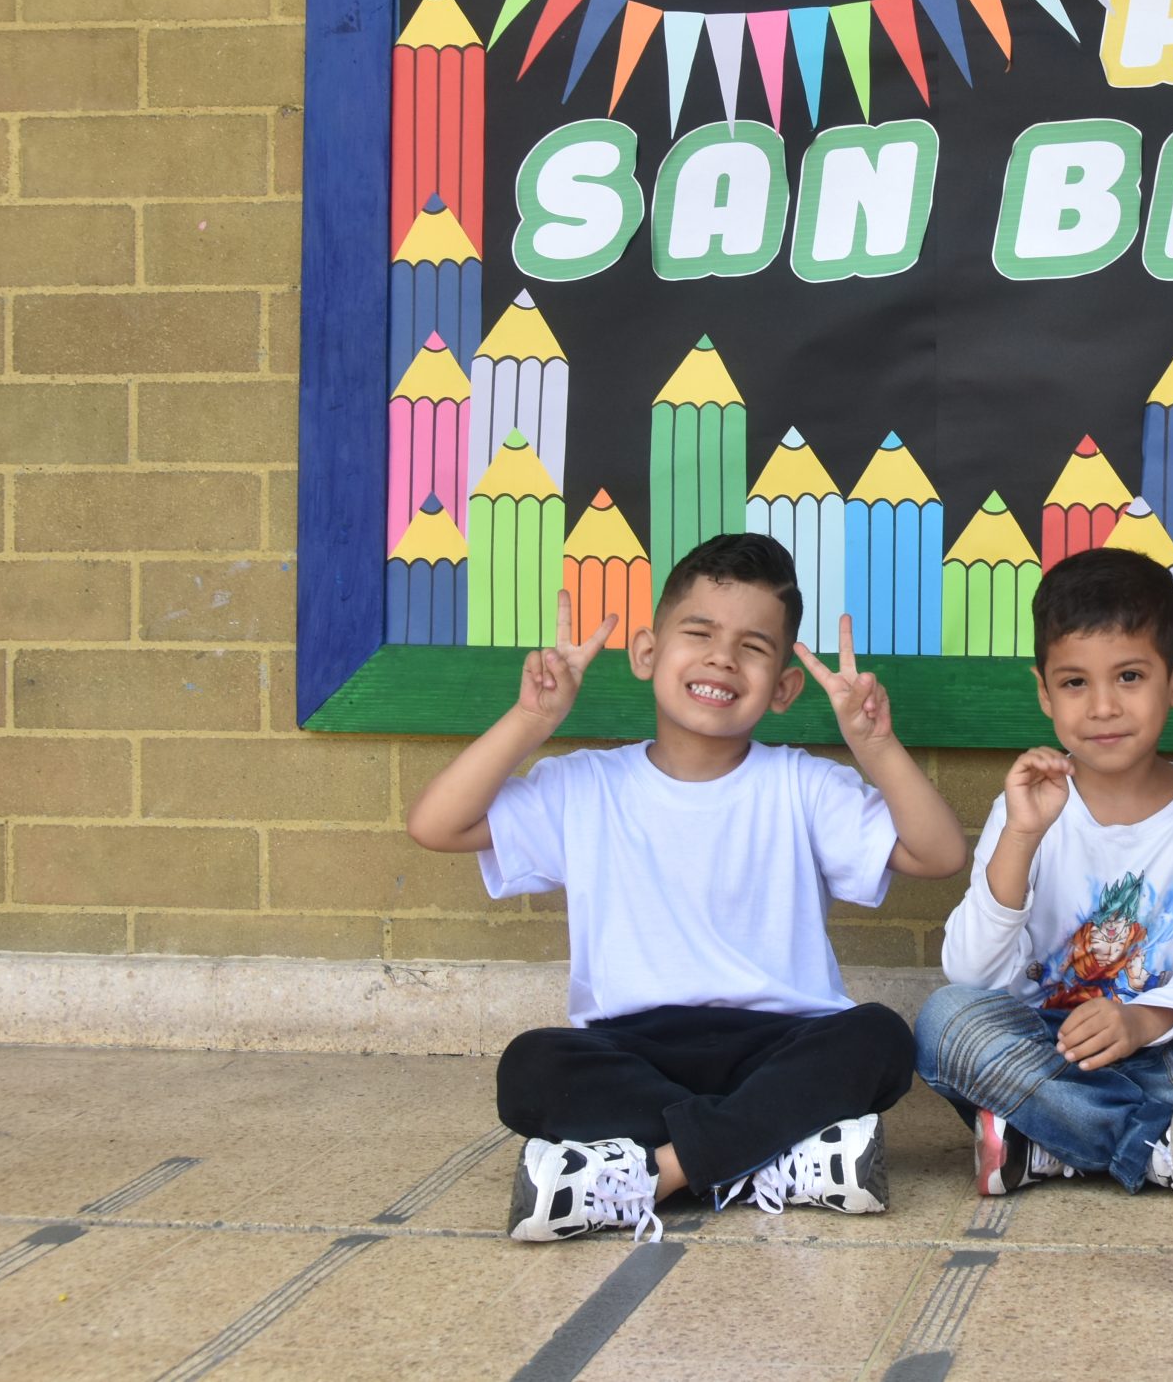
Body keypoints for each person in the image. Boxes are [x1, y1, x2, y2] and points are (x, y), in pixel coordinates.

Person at [405, 531, 968, 1243]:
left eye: (753, 647)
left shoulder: (803, 783)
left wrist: (874, 744)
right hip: (632, 1046)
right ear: (647, 652)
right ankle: (776, 1156)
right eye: (699, 633)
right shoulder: (585, 784)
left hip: (781, 1042)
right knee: (530, 1067)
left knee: (880, 1038)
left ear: (784, 687)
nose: (722, 658)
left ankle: (654, 1171)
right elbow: (436, 824)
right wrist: (532, 719)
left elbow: (939, 853)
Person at [915, 548, 1173, 1197]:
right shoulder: (1026, 808)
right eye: (1075, 683)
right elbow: (972, 972)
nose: (1102, 706)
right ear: (1044, 692)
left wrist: (1140, 1022)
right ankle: (1159, 1145)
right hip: (1047, 1046)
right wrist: (1022, 835)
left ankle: (1051, 1139)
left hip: (1163, 1045)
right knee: (947, 1021)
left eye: (1129, 676)